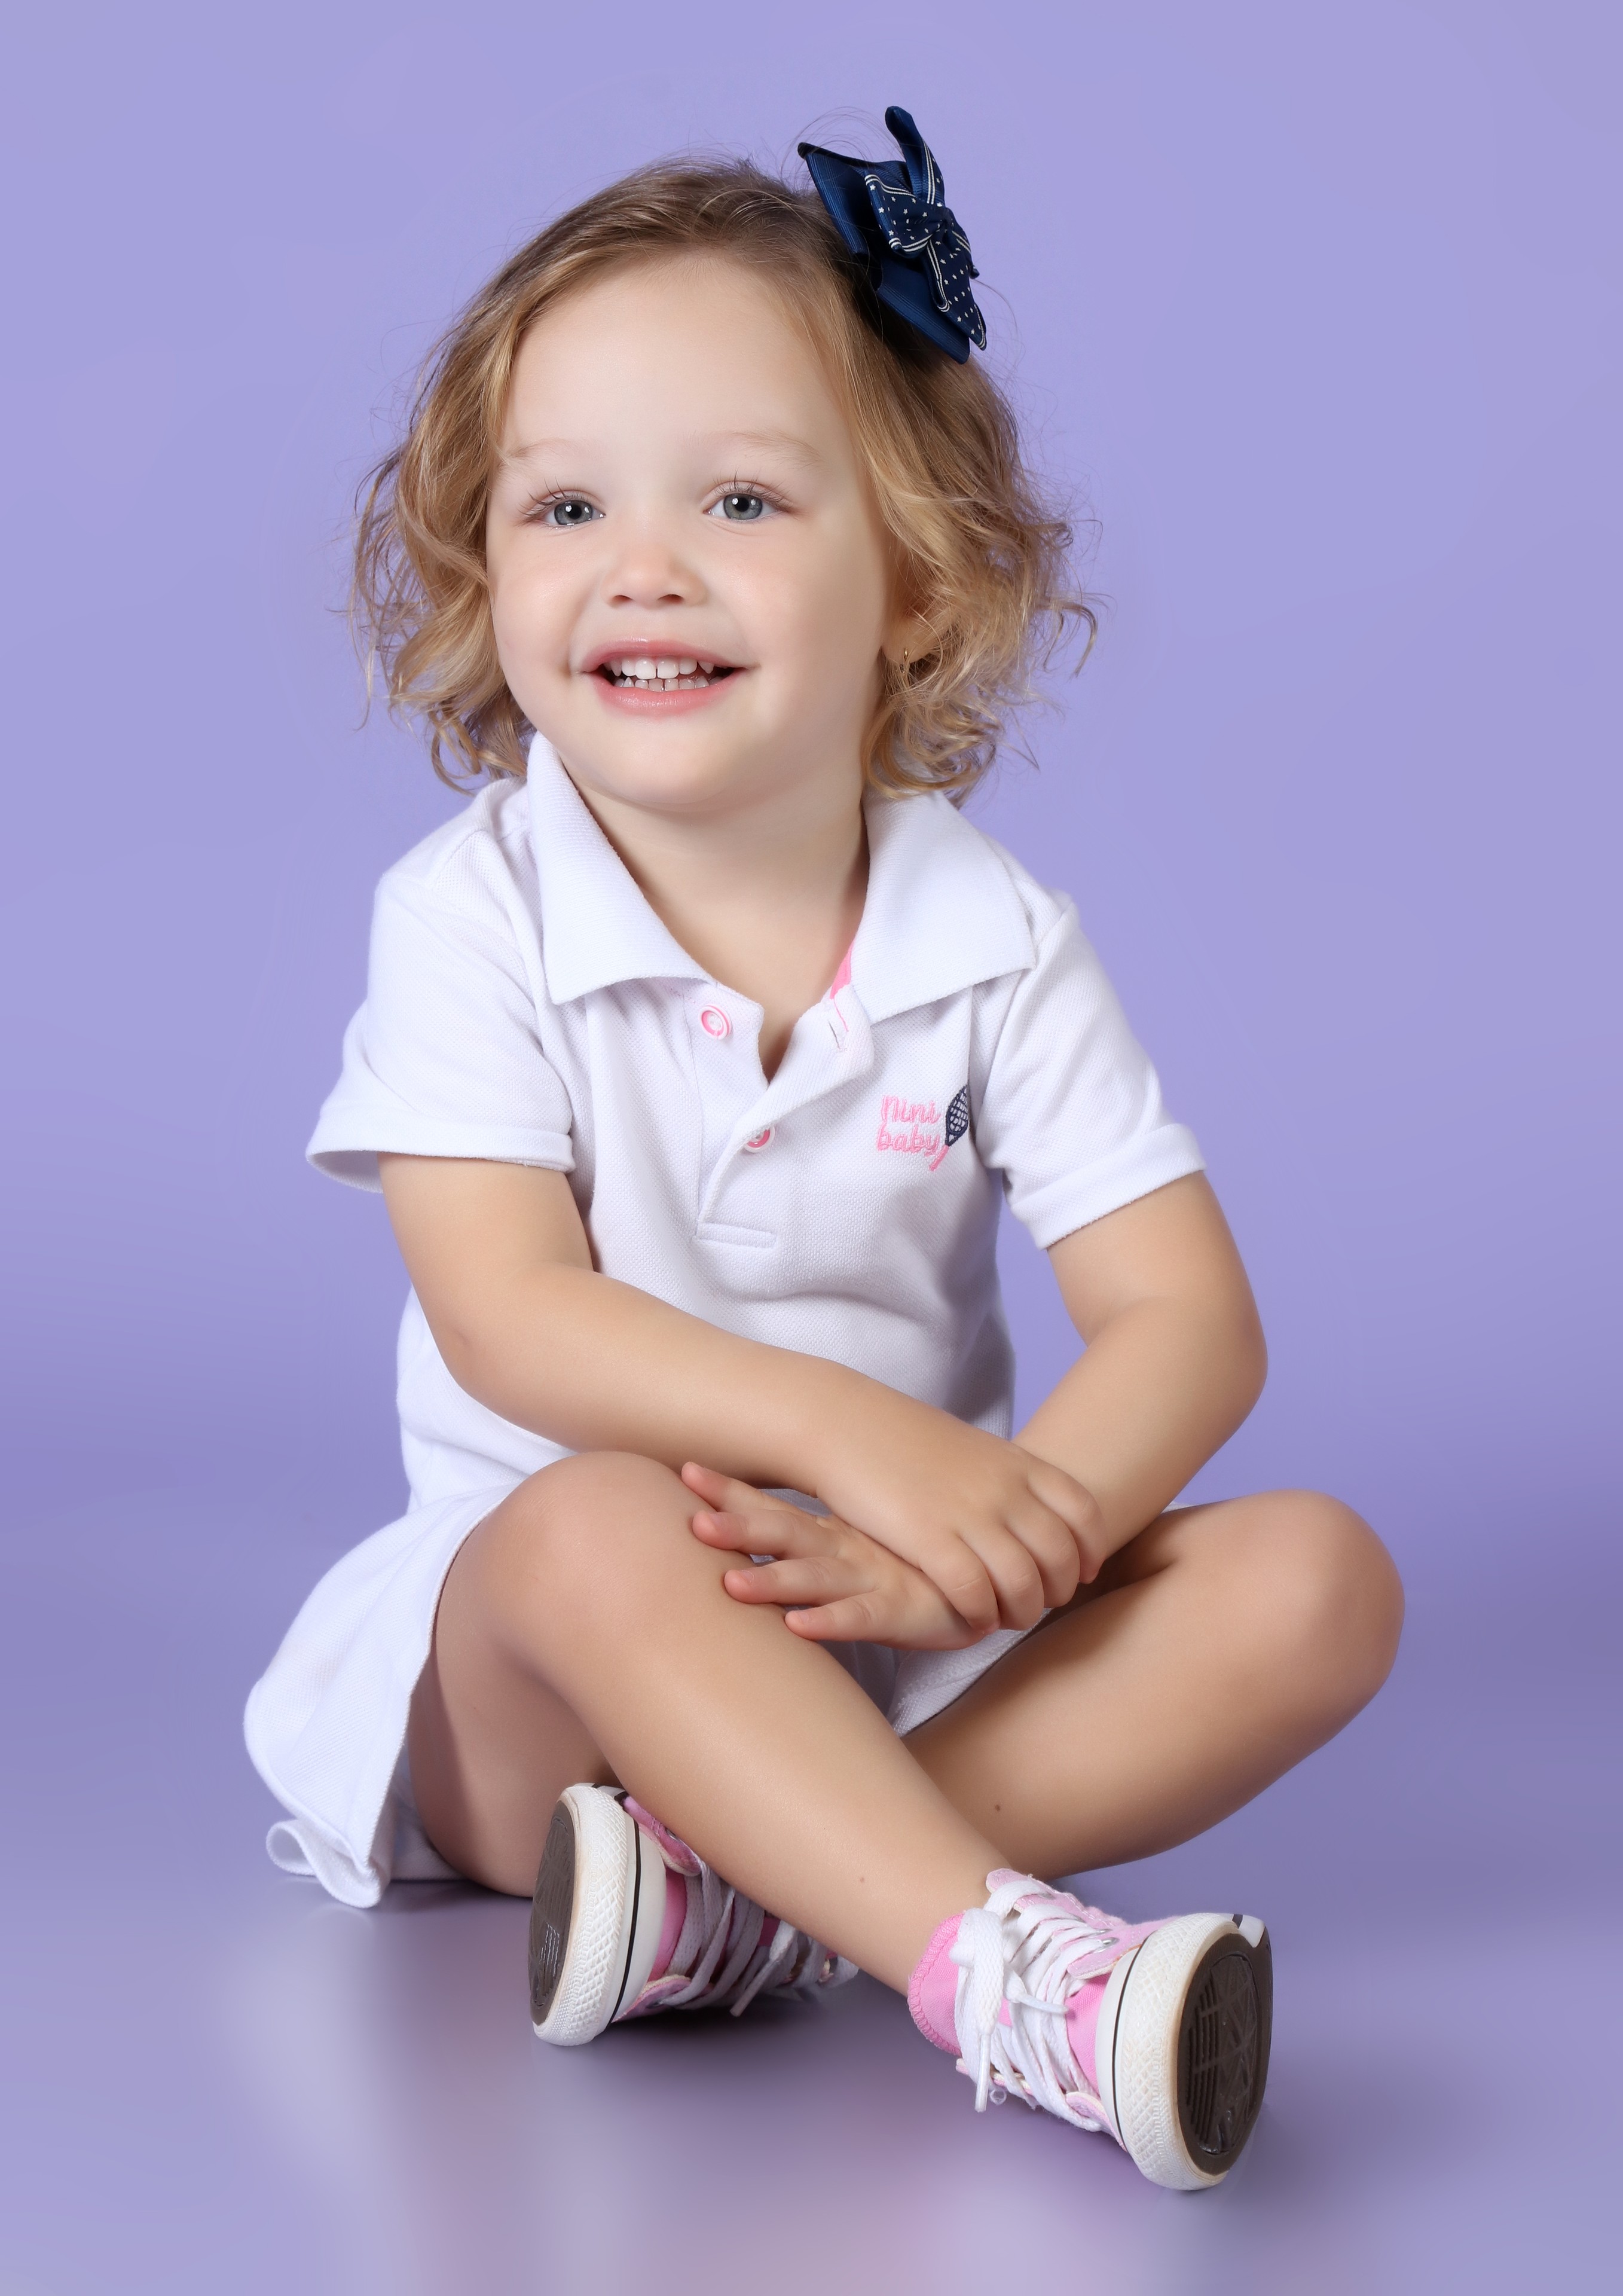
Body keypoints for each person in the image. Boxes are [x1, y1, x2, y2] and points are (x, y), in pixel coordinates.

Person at [246, 109, 1404, 2191]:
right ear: (484, 570)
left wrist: (1017, 1525)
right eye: (566, 504)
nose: (643, 565)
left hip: (885, 1625)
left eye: (742, 499)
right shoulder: (474, 910)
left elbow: (1183, 1317)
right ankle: (1010, 1976)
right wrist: (860, 1442)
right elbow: (510, 1319)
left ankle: (756, 1905)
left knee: (1314, 1579)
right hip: (545, 1672)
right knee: (603, 1522)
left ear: (915, 579)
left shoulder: (993, 937)